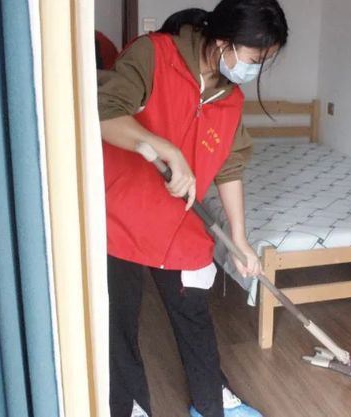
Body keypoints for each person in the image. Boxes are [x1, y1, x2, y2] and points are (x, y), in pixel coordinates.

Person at [97, 1, 288, 416]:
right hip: (120, 214)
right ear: (224, 42)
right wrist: (166, 149)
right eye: (255, 58)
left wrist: (240, 239)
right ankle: (128, 406)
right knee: (117, 322)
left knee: (193, 314)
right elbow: (104, 112)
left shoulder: (230, 98)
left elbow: (230, 168)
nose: (255, 69)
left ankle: (211, 401)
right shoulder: (154, 54)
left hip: (180, 220)